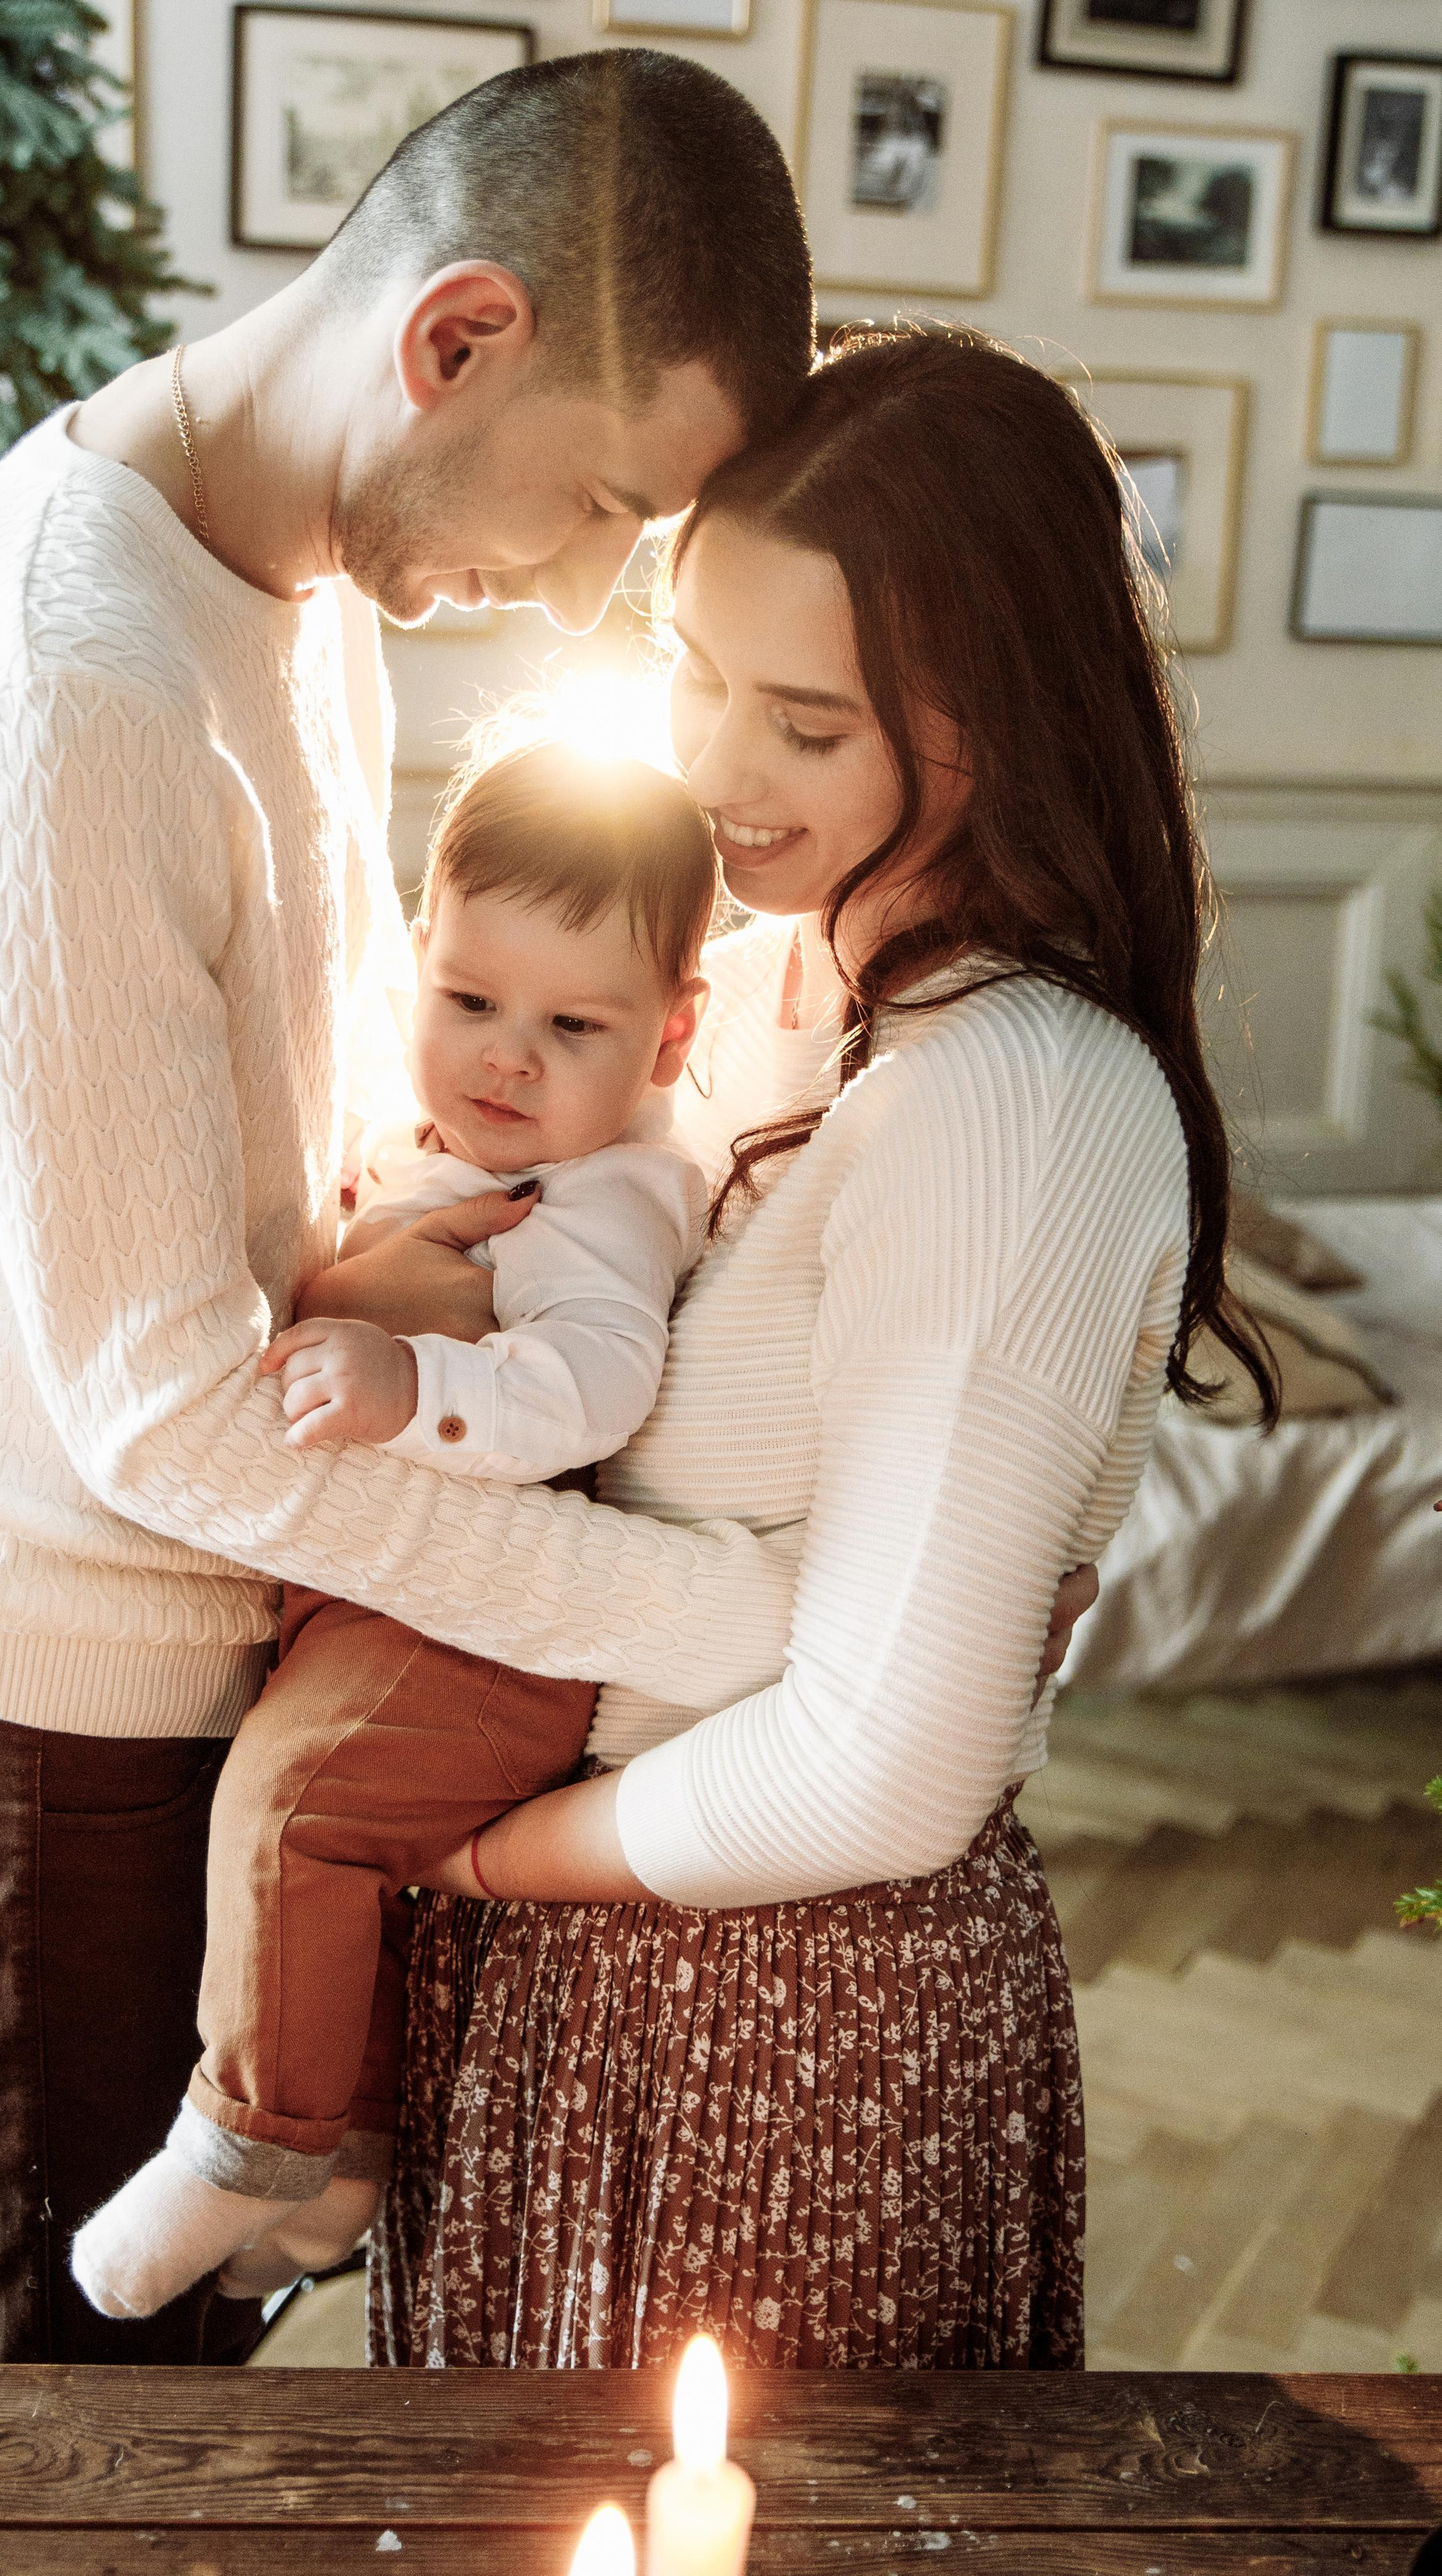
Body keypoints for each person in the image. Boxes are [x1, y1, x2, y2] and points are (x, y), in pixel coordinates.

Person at [0, 49, 814, 2366]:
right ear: (456, 339)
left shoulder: (300, 597)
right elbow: (163, 1417)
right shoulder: (72, 687)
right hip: (36, 1723)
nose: (580, 583)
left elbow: (267, 1164)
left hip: (187, 1673)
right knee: (57, 2451)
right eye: (600, 505)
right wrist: (709, 1614)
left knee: (164, 2400)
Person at [354, 322, 1278, 2370]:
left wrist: (480, 1855)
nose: (711, 769)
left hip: (776, 2016)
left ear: (991, 728)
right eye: (693, 671)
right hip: (630, 1972)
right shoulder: (790, 990)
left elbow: (883, 1761)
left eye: (803, 720)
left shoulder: (1013, 1091)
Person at [68, 743, 718, 2321]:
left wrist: (404, 1373)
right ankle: (343, 2163)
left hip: (476, 1635)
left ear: (670, 1034)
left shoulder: (601, 1198)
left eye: (574, 1027)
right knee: (330, 1860)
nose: (507, 1059)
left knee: (293, 1816)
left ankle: (240, 2140)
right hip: (381, 1605)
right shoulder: (455, 1143)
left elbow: (588, 1390)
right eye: (470, 1001)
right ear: (416, 967)